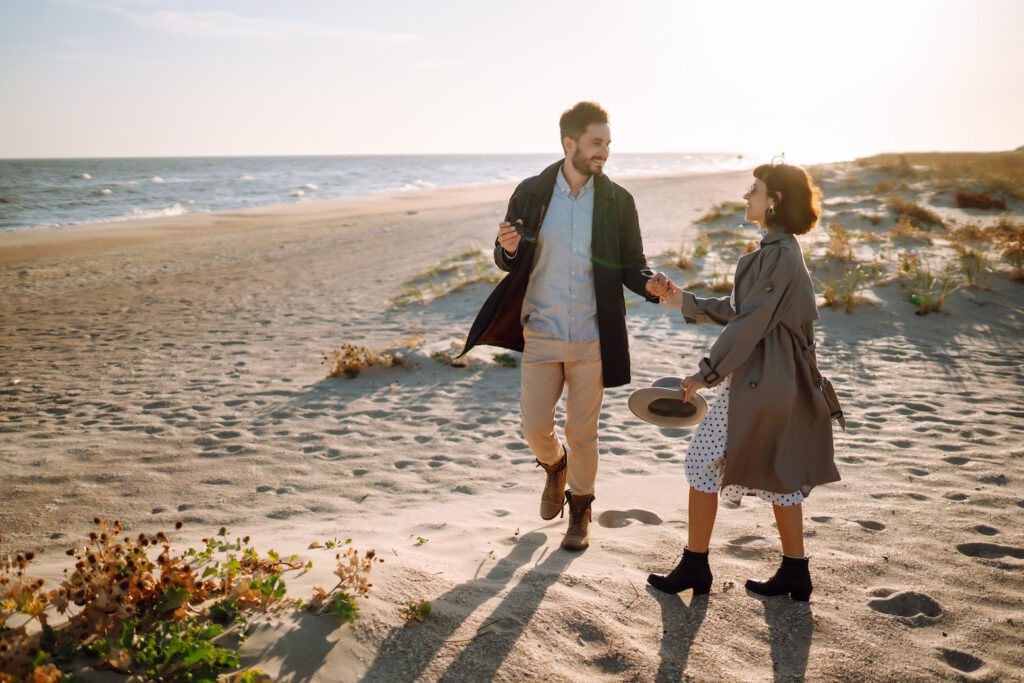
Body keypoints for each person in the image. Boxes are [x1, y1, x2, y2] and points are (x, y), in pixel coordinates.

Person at [461, 101, 671, 551]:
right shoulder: (532, 193)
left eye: (608, 144)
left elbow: (632, 265)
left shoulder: (618, 201)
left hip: (594, 334)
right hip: (541, 329)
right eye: (597, 143)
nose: (605, 153)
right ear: (569, 143)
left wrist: (650, 285)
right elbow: (505, 258)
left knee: (584, 432)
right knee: (535, 426)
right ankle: (555, 467)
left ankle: (580, 512)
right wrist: (508, 249)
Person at [647, 162, 842, 601]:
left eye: (753, 189)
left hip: (764, 380)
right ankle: (795, 572)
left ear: (773, 200)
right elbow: (740, 310)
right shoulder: (775, 250)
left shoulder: (779, 254)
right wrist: (681, 299)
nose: (745, 196)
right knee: (782, 472)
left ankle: (696, 565)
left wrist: (705, 373)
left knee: (701, 463)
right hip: (776, 379)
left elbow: (750, 322)